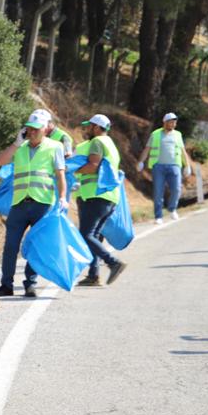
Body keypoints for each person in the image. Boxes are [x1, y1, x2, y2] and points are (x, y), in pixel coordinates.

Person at [0, 111, 68, 298]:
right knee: (10, 245)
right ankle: (6, 285)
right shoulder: (20, 148)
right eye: (29, 128)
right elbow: (0, 161)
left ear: (45, 129)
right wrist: (16, 143)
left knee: (35, 245)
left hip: (42, 203)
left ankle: (30, 284)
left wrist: (63, 197)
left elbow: (60, 176)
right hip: (19, 203)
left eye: (36, 129)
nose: (31, 132)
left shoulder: (55, 147)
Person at [74, 114, 127, 287]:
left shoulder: (97, 142)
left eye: (89, 126)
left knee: (86, 234)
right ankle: (93, 275)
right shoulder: (110, 144)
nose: (86, 129)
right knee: (94, 235)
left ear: (97, 127)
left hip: (95, 196)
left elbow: (93, 166)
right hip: (109, 197)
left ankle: (113, 263)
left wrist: (72, 169)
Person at [136, 112, 195, 223]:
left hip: (175, 166)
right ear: (165, 122)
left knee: (176, 189)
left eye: (174, 122)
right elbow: (147, 149)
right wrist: (141, 162)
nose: (173, 124)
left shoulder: (178, 134)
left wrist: (187, 165)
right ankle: (158, 216)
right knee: (158, 191)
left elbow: (183, 151)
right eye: (171, 122)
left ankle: (172, 209)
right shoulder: (155, 134)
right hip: (158, 167)